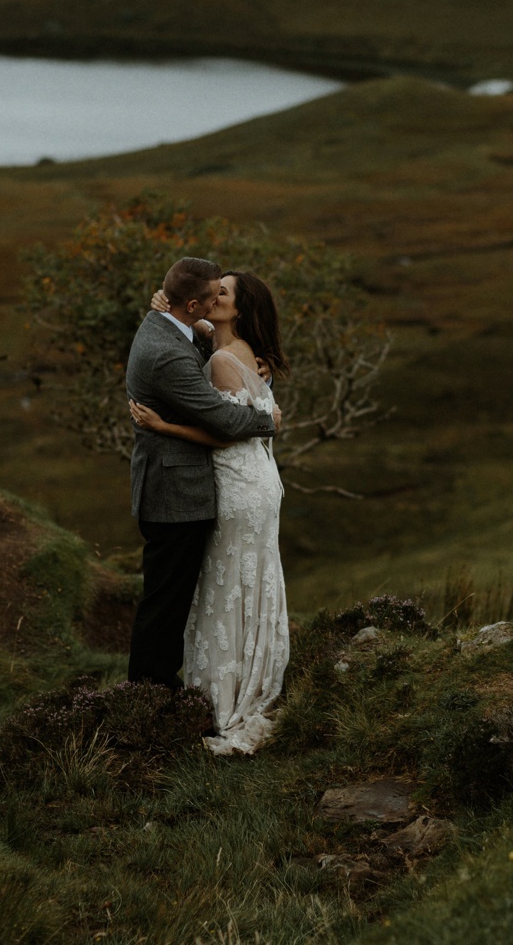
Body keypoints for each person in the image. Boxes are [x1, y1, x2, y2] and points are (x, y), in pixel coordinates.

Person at [130, 270, 291, 755]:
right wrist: (166, 303)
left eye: (223, 292)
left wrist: (163, 426)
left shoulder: (222, 358)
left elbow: (224, 431)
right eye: (211, 291)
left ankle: (224, 696)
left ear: (238, 309)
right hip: (253, 481)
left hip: (239, 484)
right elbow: (195, 325)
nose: (213, 295)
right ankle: (246, 682)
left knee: (228, 586)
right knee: (242, 583)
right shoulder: (221, 344)